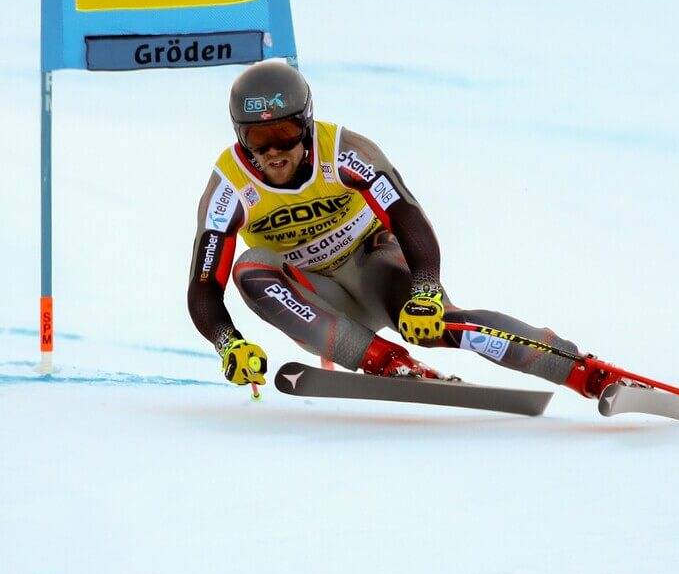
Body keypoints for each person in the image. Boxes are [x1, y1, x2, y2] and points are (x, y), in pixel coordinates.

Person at [187, 60, 621, 399]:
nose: (274, 153)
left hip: (373, 266)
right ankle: (386, 362)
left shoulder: (343, 151)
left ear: (306, 125)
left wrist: (426, 288)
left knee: (439, 325)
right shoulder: (229, 187)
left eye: (284, 134)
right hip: (314, 298)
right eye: (258, 141)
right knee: (249, 267)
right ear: (240, 138)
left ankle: (581, 370)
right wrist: (228, 343)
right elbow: (204, 284)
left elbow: (408, 217)